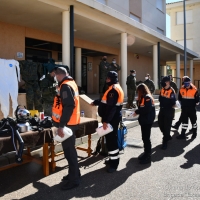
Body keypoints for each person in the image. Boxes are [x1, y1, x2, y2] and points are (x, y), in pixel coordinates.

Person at [52, 67, 80, 190]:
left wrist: (62, 126)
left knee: (70, 153)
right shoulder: (71, 83)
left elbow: (69, 105)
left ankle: (74, 180)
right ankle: (74, 174)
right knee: (70, 151)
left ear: (58, 75)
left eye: (54, 75)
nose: (54, 78)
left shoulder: (65, 86)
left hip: (68, 124)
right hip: (72, 122)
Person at [92, 71, 124, 173]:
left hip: (111, 119)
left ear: (112, 79)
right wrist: (96, 102)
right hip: (113, 118)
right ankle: (111, 159)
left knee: (111, 141)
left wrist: (106, 121)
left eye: (108, 78)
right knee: (110, 140)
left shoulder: (113, 90)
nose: (106, 80)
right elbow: (105, 101)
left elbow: (111, 108)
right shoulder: (114, 88)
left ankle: (114, 164)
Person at [133, 83, 155, 164]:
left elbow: (147, 109)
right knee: (144, 138)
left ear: (141, 90)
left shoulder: (147, 97)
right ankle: (146, 153)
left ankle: (148, 156)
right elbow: (141, 107)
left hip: (147, 121)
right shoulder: (143, 97)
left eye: (138, 91)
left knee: (146, 139)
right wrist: (137, 101)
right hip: (144, 120)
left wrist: (137, 111)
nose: (137, 92)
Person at [158, 76, 176, 150]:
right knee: (160, 124)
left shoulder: (171, 91)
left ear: (168, 82)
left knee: (167, 126)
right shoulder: (162, 89)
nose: (162, 83)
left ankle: (165, 141)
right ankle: (167, 136)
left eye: (164, 81)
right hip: (162, 109)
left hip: (168, 110)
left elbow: (173, 103)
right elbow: (160, 98)